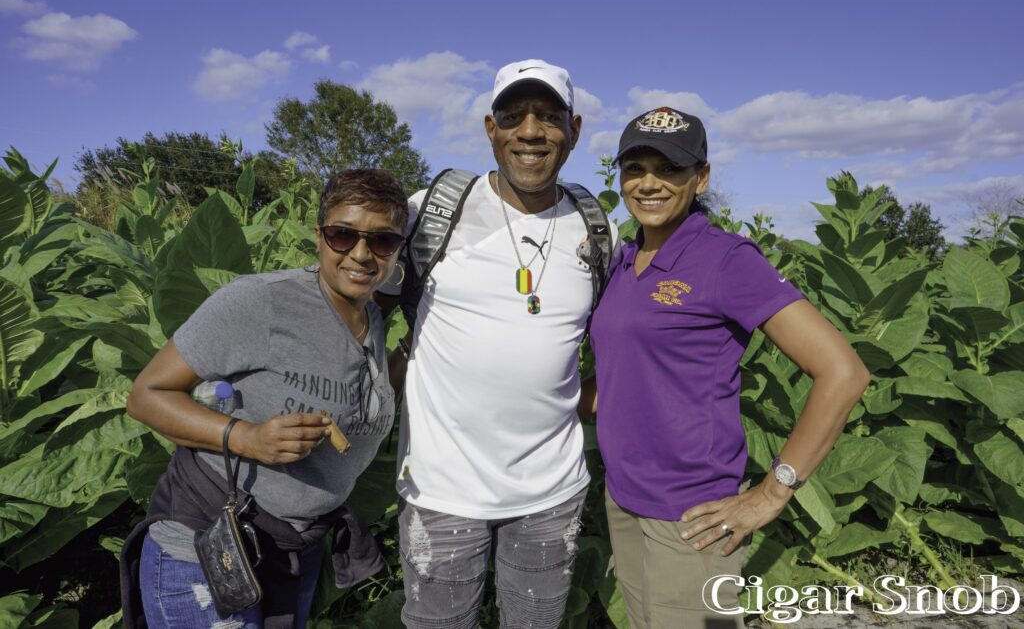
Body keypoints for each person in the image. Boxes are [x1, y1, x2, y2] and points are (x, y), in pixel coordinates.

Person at [584, 107, 870, 628]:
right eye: (635, 168)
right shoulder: (626, 259)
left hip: (692, 513)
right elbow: (622, 377)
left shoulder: (725, 260)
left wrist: (772, 492)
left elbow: (843, 372)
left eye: (669, 169)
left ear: (702, 177)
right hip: (624, 496)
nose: (649, 184)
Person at [379, 60, 618, 629]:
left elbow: (618, 336)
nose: (531, 131)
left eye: (549, 117)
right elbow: (363, 310)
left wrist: (587, 397)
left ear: (575, 129)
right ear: (492, 129)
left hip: (552, 492)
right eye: (513, 116)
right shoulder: (431, 210)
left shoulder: (592, 222)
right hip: (440, 489)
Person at [120, 169, 407, 629]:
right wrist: (246, 437)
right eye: (342, 235)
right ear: (318, 236)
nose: (360, 254)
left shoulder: (369, 313)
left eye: (382, 241)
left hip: (294, 548)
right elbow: (146, 395)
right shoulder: (262, 302)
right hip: (209, 549)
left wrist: (412, 348)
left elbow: (366, 393)